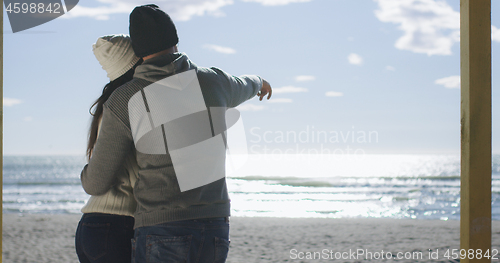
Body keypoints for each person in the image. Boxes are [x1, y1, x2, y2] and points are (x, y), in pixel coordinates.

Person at [80, 4, 272, 262]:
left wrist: (85, 173)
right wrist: (260, 82)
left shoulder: (126, 98)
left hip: (162, 227)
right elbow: (246, 83)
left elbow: (96, 183)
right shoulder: (215, 81)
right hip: (215, 226)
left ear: (138, 50)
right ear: (175, 39)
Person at [75, 34, 142, 263]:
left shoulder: (109, 105)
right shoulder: (130, 106)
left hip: (93, 224)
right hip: (118, 228)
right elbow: (96, 181)